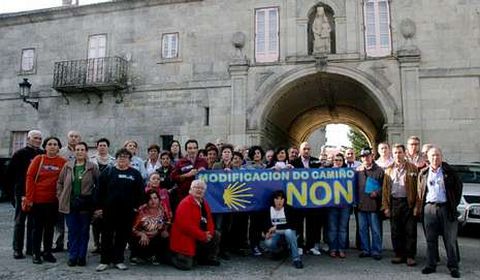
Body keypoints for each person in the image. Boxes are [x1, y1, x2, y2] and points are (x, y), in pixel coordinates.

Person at [94, 148, 145, 272]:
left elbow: (140, 193)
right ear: (116, 158)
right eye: (120, 156)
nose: (122, 158)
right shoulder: (108, 172)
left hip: (127, 212)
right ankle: (105, 261)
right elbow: (99, 191)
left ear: (129, 160)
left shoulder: (135, 174)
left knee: (122, 236)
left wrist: (135, 207)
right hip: (109, 210)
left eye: (125, 157)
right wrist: (99, 208)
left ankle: (119, 260)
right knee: (107, 235)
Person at [416, 147, 462, 278]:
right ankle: (431, 265)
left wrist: (453, 204)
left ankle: (453, 267)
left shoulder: (450, 172)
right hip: (429, 209)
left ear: (441, 157)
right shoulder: (423, 173)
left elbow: (458, 189)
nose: (435, 158)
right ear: (428, 159)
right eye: (432, 156)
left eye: (437, 155)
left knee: (450, 240)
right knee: (430, 239)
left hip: (446, 208)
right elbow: (421, 191)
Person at [24, 136, 67, 264]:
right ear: (45, 146)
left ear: (59, 147)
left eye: (55, 144)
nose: (52, 146)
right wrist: (29, 198)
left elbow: (65, 181)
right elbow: (30, 178)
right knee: (37, 228)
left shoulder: (63, 162)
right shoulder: (39, 159)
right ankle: (36, 253)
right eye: (50, 144)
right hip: (38, 200)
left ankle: (47, 252)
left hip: (53, 201)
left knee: (49, 228)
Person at [57, 142, 99, 266]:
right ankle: (72, 256)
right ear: (74, 152)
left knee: (84, 230)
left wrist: (94, 200)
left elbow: (99, 184)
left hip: (85, 203)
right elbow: (59, 182)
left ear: (86, 152)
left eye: (82, 149)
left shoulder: (92, 167)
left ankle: (81, 256)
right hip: (70, 203)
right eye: (77, 149)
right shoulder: (68, 166)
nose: (79, 152)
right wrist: (61, 196)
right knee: (72, 231)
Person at [8, 130, 44, 259]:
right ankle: (17, 249)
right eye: (35, 138)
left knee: (34, 223)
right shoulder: (19, 154)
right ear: (28, 139)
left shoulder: (42, 154)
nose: (38, 141)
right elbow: (11, 175)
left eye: (40, 138)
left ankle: (31, 248)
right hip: (22, 193)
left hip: (37, 193)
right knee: (20, 221)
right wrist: (14, 195)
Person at [170, 179, 220, 270]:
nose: (199, 190)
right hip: (186, 237)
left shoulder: (204, 203)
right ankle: (171, 257)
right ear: (190, 190)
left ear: (204, 191)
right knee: (186, 266)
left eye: (201, 188)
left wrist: (210, 233)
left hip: (199, 235)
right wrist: (203, 235)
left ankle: (206, 258)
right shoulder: (185, 203)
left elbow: (210, 220)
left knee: (216, 235)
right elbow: (186, 227)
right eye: (196, 188)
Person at [381, 144, 418, 266]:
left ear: (404, 153)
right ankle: (398, 254)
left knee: (410, 230)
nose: (398, 155)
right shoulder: (388, 170)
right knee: (396, 230)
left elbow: (418, 189)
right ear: (393, 154)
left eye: (400, 152)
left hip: (408, 202)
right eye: (395, 153)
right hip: (394, 202)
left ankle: (410, 256)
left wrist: (417, 205)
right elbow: (385, 190)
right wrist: (385, 206)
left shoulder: (413, 168)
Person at [291, 142, 322, 256]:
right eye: (304, 149)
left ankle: (310, 246)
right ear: (300, 150)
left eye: (308, 149)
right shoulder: (293, 162)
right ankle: (299, 245)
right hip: (298, 198)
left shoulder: (316, 161)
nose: (307, 151)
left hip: (313, 199)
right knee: (298, 223)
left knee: (312, 223)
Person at [54, 130, 81, 252]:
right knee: (59, 219)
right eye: (71, 136)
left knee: (73, 221)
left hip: (76, 191)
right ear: (67, 138)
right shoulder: (61, 152)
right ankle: (58, 243)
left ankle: (72, 244)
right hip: (63, 188)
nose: (74, 138)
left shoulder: (82, 152)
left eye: (76, 137)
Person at [262, 190, 303, 269]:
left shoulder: (289, 209)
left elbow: (293, 225)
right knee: (268, 242)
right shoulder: (269, 210)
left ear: (284, 200)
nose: (279, 201)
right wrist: (266, 232)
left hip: (289, 233)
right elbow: (265, 224)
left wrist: (276, 227)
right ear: (273, 200)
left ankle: (296, 259)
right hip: (276, 233)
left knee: (288, 231)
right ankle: (278, 252)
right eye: (277, 199)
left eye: (281, 199)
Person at [356, 147, 384, 260]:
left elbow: (385, 188)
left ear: (372, 156)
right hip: (361, 205)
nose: (365, 158)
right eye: (363, 156)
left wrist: (377, 193)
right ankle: (365, 249)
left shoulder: (380, 170)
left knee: (375, 230)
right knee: (362, 229)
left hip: (374, 205)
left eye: (367, 156)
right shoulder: (358, 171)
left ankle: (376, 250)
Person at [130, 190, 170, 265]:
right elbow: (133, 229)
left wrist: (165, 229)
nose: (153, 201)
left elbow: (167, 221)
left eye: (155, 198)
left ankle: (155, 256)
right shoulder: (142, 211)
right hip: (142, 237)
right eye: (150, 199)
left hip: (155, 235)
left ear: (159, 199)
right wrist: (142, 234)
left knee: (166, 236)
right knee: (137, 238)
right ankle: (136, 255)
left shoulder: (162, 208)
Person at [212, 144, 235, 260]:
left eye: (229, 152)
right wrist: (222, 173)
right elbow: (212, 181)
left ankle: (225, 249)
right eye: (225, 152)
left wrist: (232, 173)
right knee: (218, 226)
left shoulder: (235, 167)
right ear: (222, 154)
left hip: (231, 201)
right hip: (219, 201)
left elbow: (242, 179)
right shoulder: (216, 166)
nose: (226, 154)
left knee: (228, 226)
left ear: (232, 155)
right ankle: (216, 250)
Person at [245, 145, 267, 256]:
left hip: (263, 199)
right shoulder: (247, 167)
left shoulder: (265, 167)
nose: (257, 154)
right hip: (252, 199)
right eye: (254, 153)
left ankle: (258, 244)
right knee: (254, 224)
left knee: (260, 223)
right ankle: (253, 245)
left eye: (258, 152)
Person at [327, 153, 350, 258]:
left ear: (343, 161)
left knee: (343, 228)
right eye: (336, 160)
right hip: (332, 205)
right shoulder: (327, 172)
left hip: (345, 205)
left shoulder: (348, 173)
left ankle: (341, 249)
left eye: (340, 160)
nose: (338, 162)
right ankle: (332, 248)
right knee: (332, 228)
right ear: (333, 161)